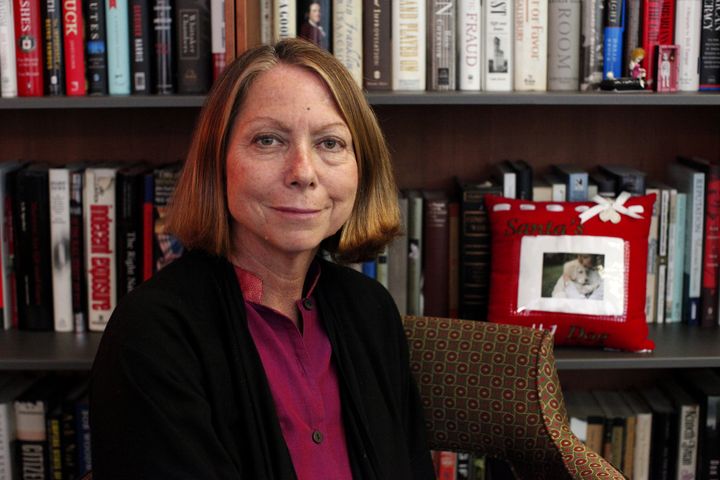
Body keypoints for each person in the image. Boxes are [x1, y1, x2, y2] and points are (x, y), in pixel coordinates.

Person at [90, 38, 435, 479]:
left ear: (360, 166)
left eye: (330, 143)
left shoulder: (371, 311)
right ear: (218, 163)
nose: (303, 173)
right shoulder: (154, 334)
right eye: (268, 140)